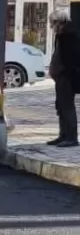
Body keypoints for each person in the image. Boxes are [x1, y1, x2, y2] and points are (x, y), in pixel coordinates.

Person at [47, 15, 80, 147]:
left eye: (53, 24)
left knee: (67, 107)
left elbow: (71, 58)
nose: (52, 27)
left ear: (60, 23)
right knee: (60, 106)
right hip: (61, 77)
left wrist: (64, 71)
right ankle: (63, 134)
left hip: (67, 77)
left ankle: (72, 137)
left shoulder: (70, 36)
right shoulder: (61, 35)